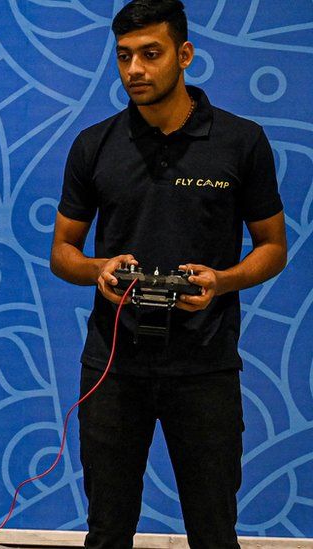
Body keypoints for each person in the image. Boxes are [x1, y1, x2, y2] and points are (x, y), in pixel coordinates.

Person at [49, 1, 288, 547]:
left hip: (205, 366)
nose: (135, 69)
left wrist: (221, 281)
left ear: (184, 55)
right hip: (113, 369)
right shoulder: (93, 145)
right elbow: (63, 251)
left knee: (212, 531)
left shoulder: (241, 142)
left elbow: (273, 246)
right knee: (107, 531)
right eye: (124, 56)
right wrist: (97, 269)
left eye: (150, 55)